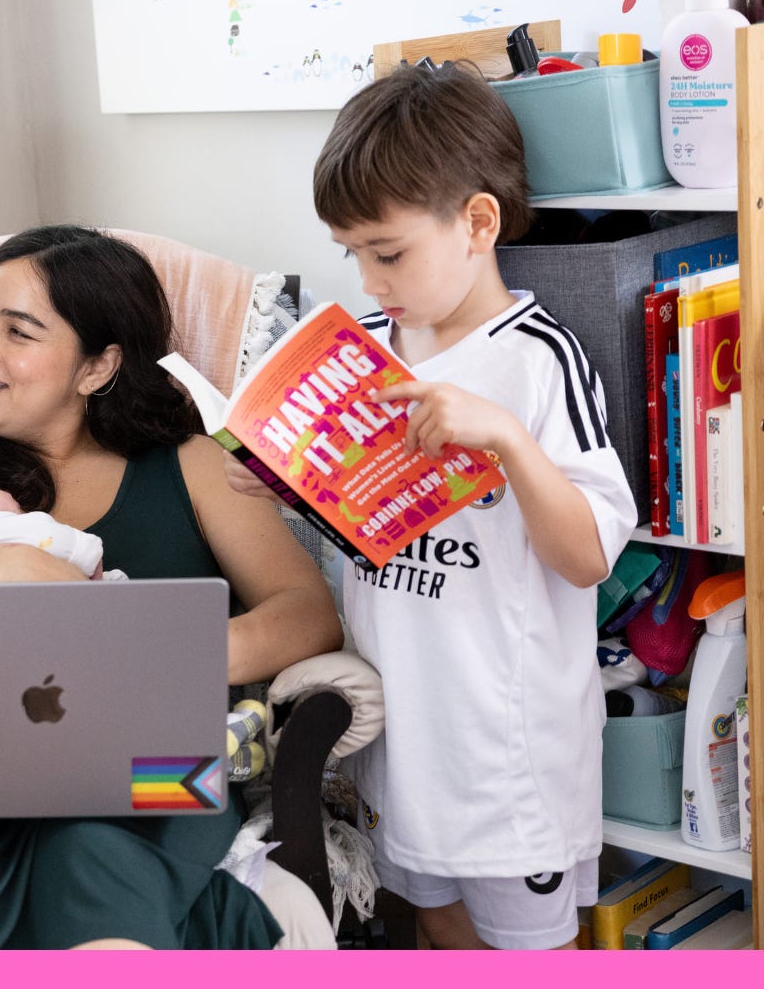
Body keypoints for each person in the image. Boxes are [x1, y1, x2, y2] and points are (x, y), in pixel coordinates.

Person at [0, 224, 344, 949]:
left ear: (97, 366)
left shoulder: (190, 463)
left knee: (99, 858)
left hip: (150, 758)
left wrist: (160, 650)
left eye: (18, 331)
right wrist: (9, 565)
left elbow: (308, 615)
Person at [229, 62, 636, 949]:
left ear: (478, 223)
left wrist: (508, 442)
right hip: (402, 745)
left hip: (504, 755)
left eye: (388, 253)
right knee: (437, 928)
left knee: (531, 950)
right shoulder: (363, 351)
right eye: (353, 256)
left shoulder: (536, 360)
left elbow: (588, 558)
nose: (370, 282)